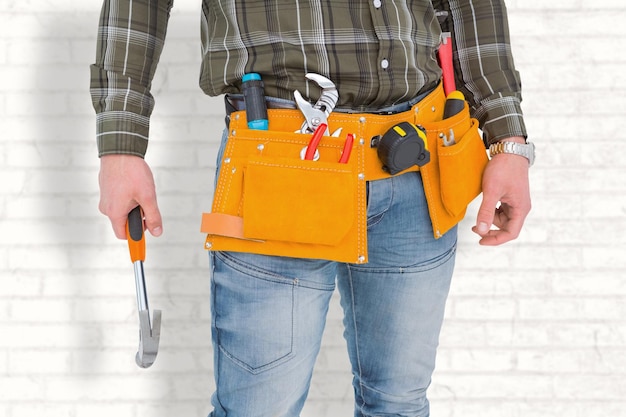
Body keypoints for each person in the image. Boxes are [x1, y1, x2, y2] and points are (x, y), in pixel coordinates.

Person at [91, 0, 532, 416]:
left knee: (400, 405)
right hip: (276, 162)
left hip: (418, 157)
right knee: (260, 408)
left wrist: (507, 138)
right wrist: (121, 145)